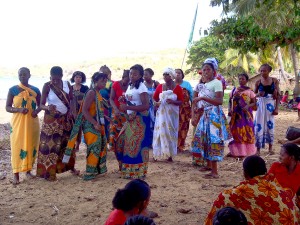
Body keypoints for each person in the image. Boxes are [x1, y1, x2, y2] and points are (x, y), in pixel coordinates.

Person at [205, 155, 298, 225]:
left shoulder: (230, 196)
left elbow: (213, 220)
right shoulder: (279, 190)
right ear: (265, 171)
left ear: (245, 174)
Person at [36, 66, 78, 181]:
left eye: (56, 79)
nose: (54, 81)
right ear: (50, 76)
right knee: (50, 147)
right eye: (52, 78)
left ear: (61, 76)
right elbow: (41, 105)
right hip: (51, 120)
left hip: (66, 120)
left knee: (67, 146)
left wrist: (72, 112)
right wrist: (48, 107)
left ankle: (70, 167)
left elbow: (71, 100)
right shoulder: (47, 86)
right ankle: (48, 173)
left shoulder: (67, 84)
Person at [64, 72, 108, 180]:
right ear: (95, 81)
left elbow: (96, 109)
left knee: (98, 147)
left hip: (96, 123)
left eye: (105, 81)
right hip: (91, 124)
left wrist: (105, 118)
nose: (104, 83)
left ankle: (95, 170)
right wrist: (95, 123)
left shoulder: (97, 92)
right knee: (93, 148)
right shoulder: (91, 93)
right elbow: (84, 110)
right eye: (102, 81)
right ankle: (90, 173)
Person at [192, 62, 232, 178]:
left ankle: (215, 171)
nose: (205, 72)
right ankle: (209, 165)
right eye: (204, 70)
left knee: (213, 140)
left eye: (208, 69)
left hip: (214, 115)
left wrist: (203, 98)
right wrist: (197, 109)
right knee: (205, 139)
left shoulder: (217, 83)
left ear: (213, 71)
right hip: (206, 114)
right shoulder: (205, 85)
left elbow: (219, 101)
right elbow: (203, 102)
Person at [5, 67, 41, 185]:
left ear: (30, 75)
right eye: (20, 74)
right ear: (18, 75)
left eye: (25, 74)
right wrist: (19, 109)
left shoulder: (35, 90)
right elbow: (8, 107)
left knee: (31, 145)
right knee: (17, 146)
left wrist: (36, 112)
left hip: (32, 123)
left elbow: (40, 105)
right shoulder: (13, 90)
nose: (22, 76)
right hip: (18, 124)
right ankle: (16, 175)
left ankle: (28, 171)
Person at [115, 64, 151, 179]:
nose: (132, 76)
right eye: (130, 73)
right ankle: (129, 170)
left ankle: (138, 172)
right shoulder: (130, 86)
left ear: (140, 75)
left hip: (140, 119)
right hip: (131, 119)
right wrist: (124, 99)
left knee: (136, 146)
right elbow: (133, 100)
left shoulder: (142, 87)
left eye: (135, 74)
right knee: (123, 142)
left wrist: (128, 108)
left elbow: (146, 105)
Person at [152, 68, 183, 162]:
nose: (165, 77)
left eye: (167, 75)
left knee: (171, 132)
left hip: (172, 116)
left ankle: (169, 155)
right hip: (161, 114)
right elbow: (154, 98)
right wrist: (156, 104)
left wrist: (173, 101)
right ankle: (156, 154)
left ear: (172, 76)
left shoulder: (178, 88)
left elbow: (181, 101)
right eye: (164, 74)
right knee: (159, 132)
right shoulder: (160, 87)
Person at [227, 73, 257, 157]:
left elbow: (254, 103)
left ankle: (245, 152)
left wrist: (248, 106)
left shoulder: (250, 91)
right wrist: (229, 110)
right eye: (239, 79)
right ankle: (235, 151)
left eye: (243, 79)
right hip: (235, 115)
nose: (241, 80)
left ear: (247, 80)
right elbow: (230, 101)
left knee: (246, 131)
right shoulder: (234, 90)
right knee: (235, 132)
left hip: (246, 116)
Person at [254, 63, 280, 155]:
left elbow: (278, 96)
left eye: (264, 70)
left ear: (269, 71)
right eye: (261, 70)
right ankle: (258, 149)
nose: (262, 72)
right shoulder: (258, 82)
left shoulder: (274, 81)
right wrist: (258, 95)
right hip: (260, 106)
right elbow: (254, 95)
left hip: (270, 106)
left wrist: (276, 108)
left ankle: (270, 148)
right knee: (259, 126)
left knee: (270, 125)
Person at [109, 70, 130, 168]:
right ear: (123, 77)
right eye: (127, 79)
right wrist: (116, 109)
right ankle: (119, 161)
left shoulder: (132, 86)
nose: (128, 81)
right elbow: (111, 98)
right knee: (115, 137)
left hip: (128, 115)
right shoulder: (116, 84)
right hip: (117, 114)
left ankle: (125, 162)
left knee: (126, 138)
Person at [70, 71, 89, 151]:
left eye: (80, 77)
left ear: (82, 79)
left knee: (79, 128)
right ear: (74, 78)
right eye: (76, 77)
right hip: (71, 110)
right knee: (71, 127)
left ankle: (77, 145)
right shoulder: (70, 88)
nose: (78, 79)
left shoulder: (85, 88)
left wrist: (80, 101)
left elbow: (88, 99)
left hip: (81, 110)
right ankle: (72, 144)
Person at [175, 68, 193, 153]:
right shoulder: (172, 84)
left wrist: (193, 109)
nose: (177, 74)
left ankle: (181, 145)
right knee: (174, 127)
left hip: (185, 109)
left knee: (184, 127)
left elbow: (192, 97)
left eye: (179, 73)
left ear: (182, 75)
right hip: (174, 108)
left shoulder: (187, 84)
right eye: (176, 73)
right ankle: (173, 145)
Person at [143, 68, 159, 146]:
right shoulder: (142, 84)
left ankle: (155, 142)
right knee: (147, 124)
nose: (144, 76)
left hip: (155, 107)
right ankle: (148, 142)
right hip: (147, 107)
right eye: (143, 74)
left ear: (151, 75)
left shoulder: (156, 84)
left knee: (155, 124)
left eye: (146, 74)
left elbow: (161, 93)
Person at [99, 65, 114, 139]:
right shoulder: (95, 82)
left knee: (106, 123)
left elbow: (111, 96)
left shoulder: (109, 83)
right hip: (98, 105)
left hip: (107, 107)